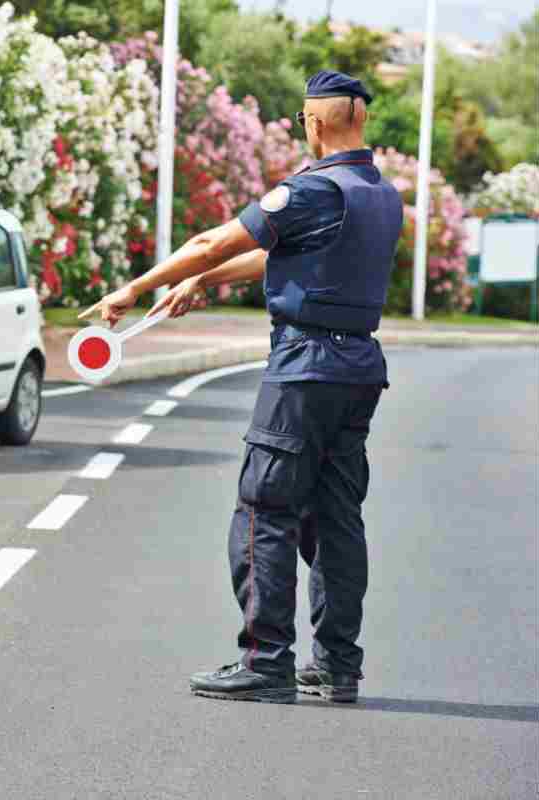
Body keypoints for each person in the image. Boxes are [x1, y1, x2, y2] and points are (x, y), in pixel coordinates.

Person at [81, 70, 404, 704]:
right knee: (337, 520)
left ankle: (266, 660)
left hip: (302, 370)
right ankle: (339, 666)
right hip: (358, 368)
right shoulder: (379, 193)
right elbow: (274, 254)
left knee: (266, 511)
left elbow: (211, 240)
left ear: (313, 122)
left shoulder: (312, 189)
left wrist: (134, 289)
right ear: (359, 119)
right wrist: (205, 282)